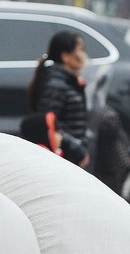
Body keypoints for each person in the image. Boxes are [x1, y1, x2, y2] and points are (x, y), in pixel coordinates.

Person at [23, 30, 89, 166]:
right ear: (66, 57)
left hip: (71, 155)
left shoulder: (69, 80)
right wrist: (76, 148)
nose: (84, 56)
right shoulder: (56, 84)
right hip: (63, 157)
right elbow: (50, 123)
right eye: (79, 50)